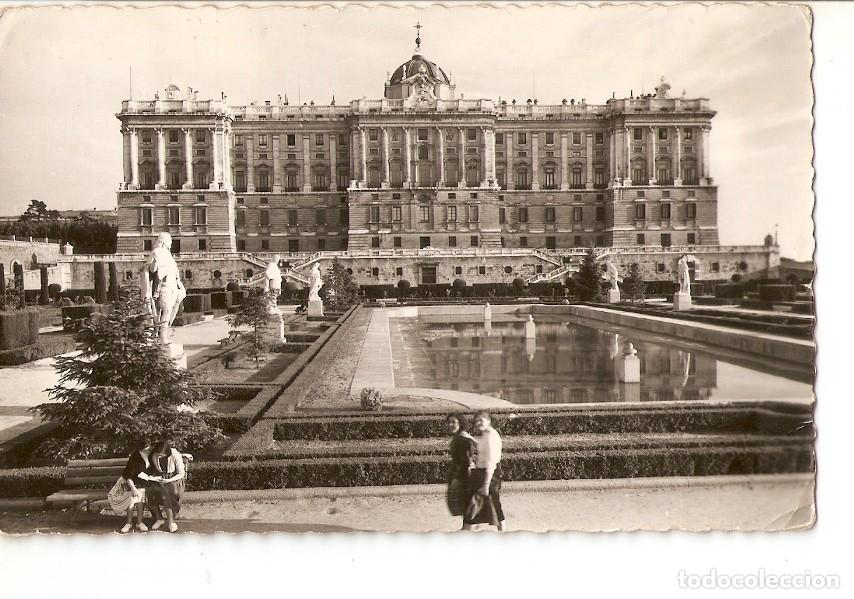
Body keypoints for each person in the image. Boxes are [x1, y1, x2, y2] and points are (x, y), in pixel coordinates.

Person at [463, 411, 506, 532]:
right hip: (482, 472)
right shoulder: (486, 433)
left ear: (489, 421)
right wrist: (470, 438)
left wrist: (486, 485)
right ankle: (501, 530)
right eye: (476, 420)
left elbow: (491, 463)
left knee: (489, 503)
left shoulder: (491, 436)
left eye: (481, 420)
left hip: (490, 474)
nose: (478, 423)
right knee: (490, 503)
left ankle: (467, 529)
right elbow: (482, 447)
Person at [110, 445, 163, 534]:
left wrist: (184, 455)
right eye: (146, 449)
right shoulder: (135, 458)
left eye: (149, 448)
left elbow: (166, 452)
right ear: (141, 449)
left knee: (140, 498)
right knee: (132, 499)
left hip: (141, 484)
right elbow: (128, 476)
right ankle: (128, 523)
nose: (149, 450)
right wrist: (133, 488)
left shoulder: (151, 454)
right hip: (128, 484)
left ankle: (139, 522)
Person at [145, 440, 190, 533]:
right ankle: (159, 518)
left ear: (167, 453)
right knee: (149, 491)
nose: (159, 456)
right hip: (160, 479)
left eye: (162, 455)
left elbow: (181, 474)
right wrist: (152, 477)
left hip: (174, 480)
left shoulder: (174, 454)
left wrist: (168, 480)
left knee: (165, 492)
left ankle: (171, 522)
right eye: (158, 454)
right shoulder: (153, 454)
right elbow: (152, 469)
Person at [446, 414, 476, 527]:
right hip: (459, 474)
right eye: (449, 422)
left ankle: (467, 529)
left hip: (463, 476)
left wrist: (457, 478)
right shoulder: (458, 437)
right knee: (464, 504)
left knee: (465, 503)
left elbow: (466, 461)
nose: (451, 425)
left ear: (460, 423)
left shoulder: (462, 439)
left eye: (454, 422)